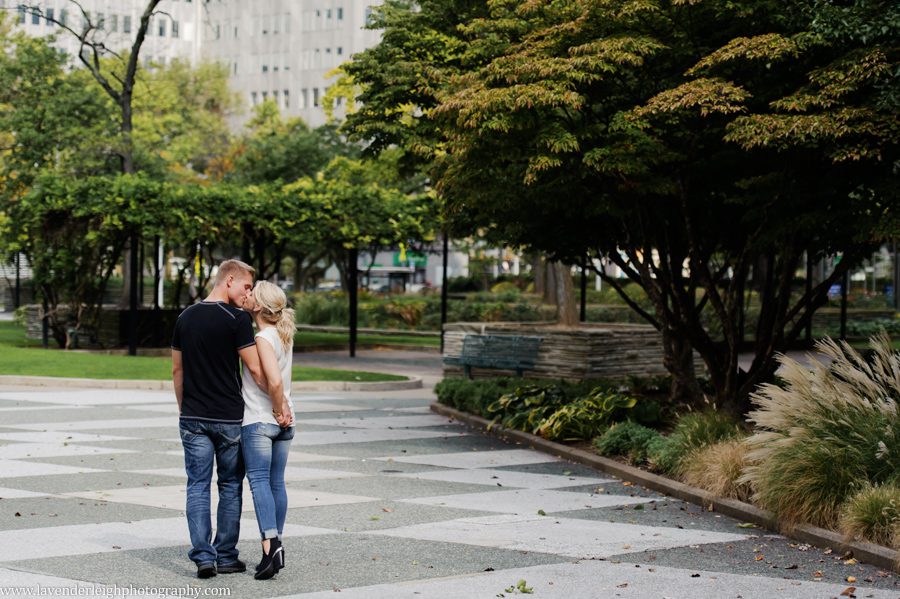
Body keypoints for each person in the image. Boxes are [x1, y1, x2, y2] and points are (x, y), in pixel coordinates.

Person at [171, 259, 267, 579]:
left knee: (197, 486)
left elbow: (177, 370)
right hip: (228, 419)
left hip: (193, 417)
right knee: (229, 485)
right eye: (246, 286)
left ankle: (203, 557)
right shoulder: (237, 320)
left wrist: (185, 408)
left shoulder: (184, 317)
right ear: (229, 280)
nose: (248, 293)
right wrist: (278, 398)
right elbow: (254, 367)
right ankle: (225, 555)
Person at [240, 280, 296, 580]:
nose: (246, 296)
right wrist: (285, 411)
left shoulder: (262, 337)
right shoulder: (283, 334)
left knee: (259, 481)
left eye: (251, 294)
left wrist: (277, 410)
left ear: (259, 307)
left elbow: (273, 382)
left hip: (262, 419)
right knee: (277, 483)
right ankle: (275, 545)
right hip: (287, 421)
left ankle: (271, 544)